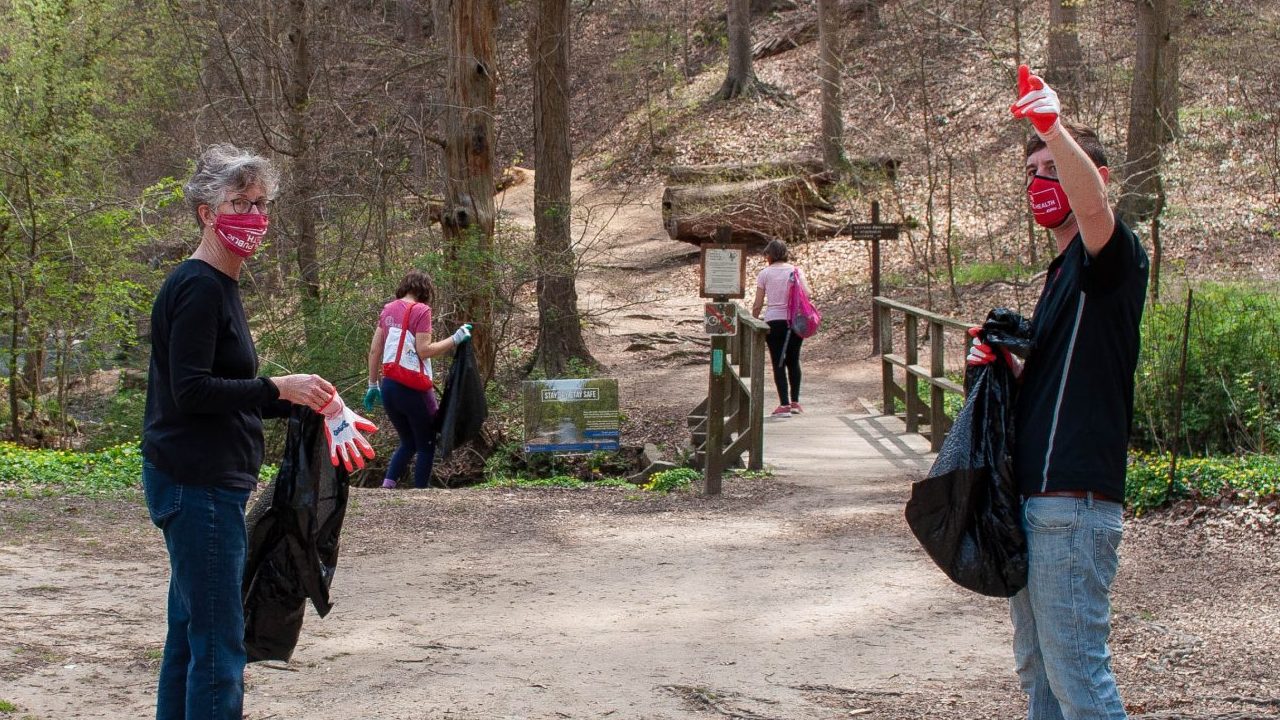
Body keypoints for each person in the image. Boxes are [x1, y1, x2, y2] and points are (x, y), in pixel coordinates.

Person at [142, 143, 377, 720]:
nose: (254, 216)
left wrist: (309, 402)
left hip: (204, 481)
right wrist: (278, 387)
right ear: (206, 211)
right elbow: (192, 391)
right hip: (196, 485)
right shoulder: (198, 286)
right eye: (240, 203)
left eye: (262, 203)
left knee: (191, 635)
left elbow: (226, 395)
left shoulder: (221, 286)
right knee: (221, 643)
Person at [968, 66, 1149, 719]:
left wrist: (1051, 122)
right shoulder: (1057, 278)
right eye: (1033, 169)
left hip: (1074, 504)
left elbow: (1095, 208)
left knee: (1077, 678)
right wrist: (1002, 368)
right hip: (1035, 499)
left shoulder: (1113, 258)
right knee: (1039, 672)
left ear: (1088, 176)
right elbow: (1054, 386)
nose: (1040, 180)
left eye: (1055, 166)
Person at [364, 269, 471, 489]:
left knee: (408, 441)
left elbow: (375, 350)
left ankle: (388, 486)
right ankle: (421, 492)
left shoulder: (387, 310)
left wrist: (372, 384)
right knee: (426, 444)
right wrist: (456, 338)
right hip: (413, 389)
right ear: (424, 291)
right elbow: (424, 351)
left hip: (389, 388)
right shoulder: (421, 310)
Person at [751, 238, 808, 418]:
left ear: (770, 255)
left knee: (778, 363)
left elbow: (758, 303)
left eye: (766, 254)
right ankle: (795, 402)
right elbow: (807, 294)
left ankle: (784, 404)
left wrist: (754, 320)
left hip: (774, 322)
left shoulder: (765, 274)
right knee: (793, 361)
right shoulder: (796, 271)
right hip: (794, 322)